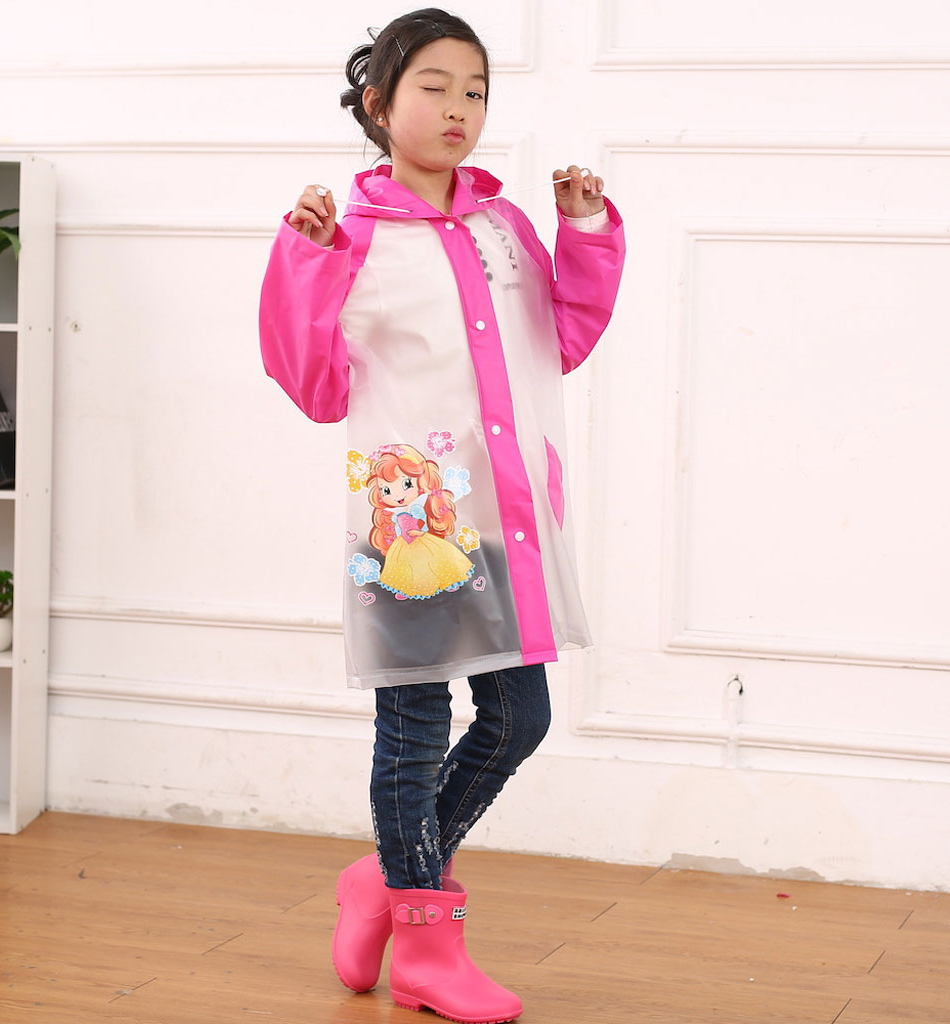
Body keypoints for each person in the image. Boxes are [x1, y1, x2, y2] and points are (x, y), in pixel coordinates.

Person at [258, 9, 624, 1023]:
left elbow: (562, 338)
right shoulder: (349, 237)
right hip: (409, 526)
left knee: (520, 717)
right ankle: (426, 945)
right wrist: (303, 261)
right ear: (378, 103)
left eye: (476, 90)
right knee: (415, 726)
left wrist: (586, 234)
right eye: (434, 86)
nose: (459, 107)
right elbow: (314, 384)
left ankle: (384, 879)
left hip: (503, 514)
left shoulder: (505, 228)